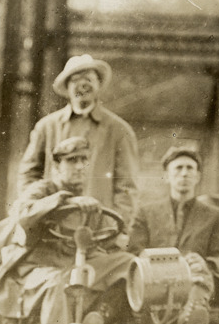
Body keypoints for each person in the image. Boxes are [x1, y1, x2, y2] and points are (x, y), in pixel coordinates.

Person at [0, 137, 135, 324]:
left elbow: (104, 237)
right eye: (72, 160)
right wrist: (64, 201)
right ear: (57, 166)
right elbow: (20, 214)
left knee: (130, 264)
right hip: (35, 268)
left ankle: (99, 315)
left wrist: (117, 238)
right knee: (57, 284)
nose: (80, 166)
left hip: (74, 265)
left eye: (84, 160)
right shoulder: (43, 190)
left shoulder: (88, 201)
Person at [17, 55, 139, 224]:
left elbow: (127, 187)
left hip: (99, 227)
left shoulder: (119, 130)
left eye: (88, 79)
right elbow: (28, 174)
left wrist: (118, 227)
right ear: (67, 87)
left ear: (98, 84)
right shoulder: (47, 127)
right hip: (53, 226)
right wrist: (39, 210)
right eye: (75, 80)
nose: (82, 85)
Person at [128, 144, 219, 324]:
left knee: (198, 277)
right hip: (153, 279)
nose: (184, 174)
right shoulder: (146, 213)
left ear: (198, 176)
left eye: (190, 168)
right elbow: (133, 251)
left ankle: (193, 316)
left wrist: (206, 264)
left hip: (195, 279)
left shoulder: (216, 217)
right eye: (178, 168)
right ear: (166, 176)